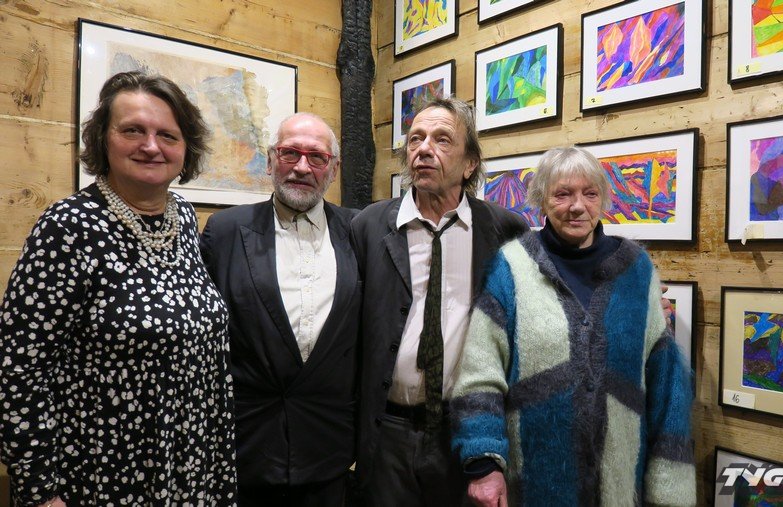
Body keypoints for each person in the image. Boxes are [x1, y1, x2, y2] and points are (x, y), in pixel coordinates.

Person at [0, 71, 236, 506]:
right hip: (104, 472)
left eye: (168, 135)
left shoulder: (183, 218)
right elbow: (19, 370)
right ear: (103, 139)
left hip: (190, 461)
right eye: (132, 131)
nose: (151, 146)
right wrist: (41, 492)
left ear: (186, 148)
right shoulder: (68, 227)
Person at [450, 146, 696, 506]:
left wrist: (670, 490)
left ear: (603, 199)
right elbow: (479, 373)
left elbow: (667, 386)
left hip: (619, 485)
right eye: (562, 194)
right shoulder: (512, 267)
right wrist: (484, 462)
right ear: (542, 200)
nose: (577, 206)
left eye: (589, 193)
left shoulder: (637, 270)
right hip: (533, 483)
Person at [350, 97, 529, 505]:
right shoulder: (369, 226)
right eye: (415, 139)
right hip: (388, 431)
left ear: (469, 164)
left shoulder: (503, 230)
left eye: (442, 139)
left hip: (468, 432)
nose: (424, 149)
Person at [200, 113, 360, 506]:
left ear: (334, 169)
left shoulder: (359, 232)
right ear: (271, 160)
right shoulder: (225, 231)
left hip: (329, 449)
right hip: (245, 449)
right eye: (290, 153)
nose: (302, 167)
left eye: (317, 157)